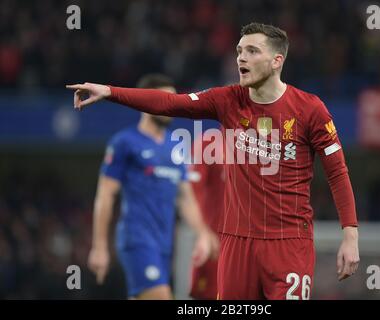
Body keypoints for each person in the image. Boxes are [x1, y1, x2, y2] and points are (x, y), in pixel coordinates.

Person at [68, 22, 360, 300]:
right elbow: (171, 103)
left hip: (288, 243)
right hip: (235, 244)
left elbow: (337, 173)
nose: (241, 58)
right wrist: (109, 91)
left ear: (276, 61)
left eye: (252, 51)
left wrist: (350, 236)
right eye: (239, 51)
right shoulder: (228, 100)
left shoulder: (310, 109)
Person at [86, 74, 218, 300]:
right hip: (137, 239)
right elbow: (105, 195)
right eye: (165, 99)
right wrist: (99, 247)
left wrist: (202, 233)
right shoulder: (125, 143)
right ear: (147, 101)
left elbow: (185, 198)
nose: (172, 105)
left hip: (165, 245)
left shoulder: (176, 145)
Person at [188, 133, 225, 300]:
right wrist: (203, 233)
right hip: (215, 246)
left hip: (249, 247)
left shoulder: (260, 150)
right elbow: (189, 193)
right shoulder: (208, 145)